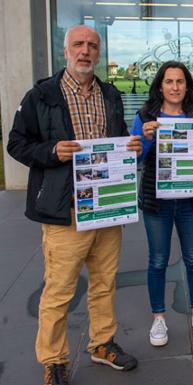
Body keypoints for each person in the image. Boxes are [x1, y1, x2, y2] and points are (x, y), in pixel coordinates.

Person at [7, 24, 141, 385]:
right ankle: (53, 359)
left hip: (106, 207)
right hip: (64, 208)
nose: (85, 51)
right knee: (60, 289)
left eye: (92, 46)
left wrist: (129, 146)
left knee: (104, 282)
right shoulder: (42, 95)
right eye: (78, 44)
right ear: (65, 51)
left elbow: (117, 139)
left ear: (99, 53)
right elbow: (16, 144)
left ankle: (101, 343)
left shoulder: (110, 94)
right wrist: (50, 151)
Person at [131, 61, 193, 346]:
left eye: (180, 82)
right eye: (169, 81)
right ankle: (158, 319)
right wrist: (145, 139)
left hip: (190, 201)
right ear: (160, 85)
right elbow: (134, 158)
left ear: (187, 86)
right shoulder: (145, 115)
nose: (175, 87)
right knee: (158, 260)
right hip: (157, 202)